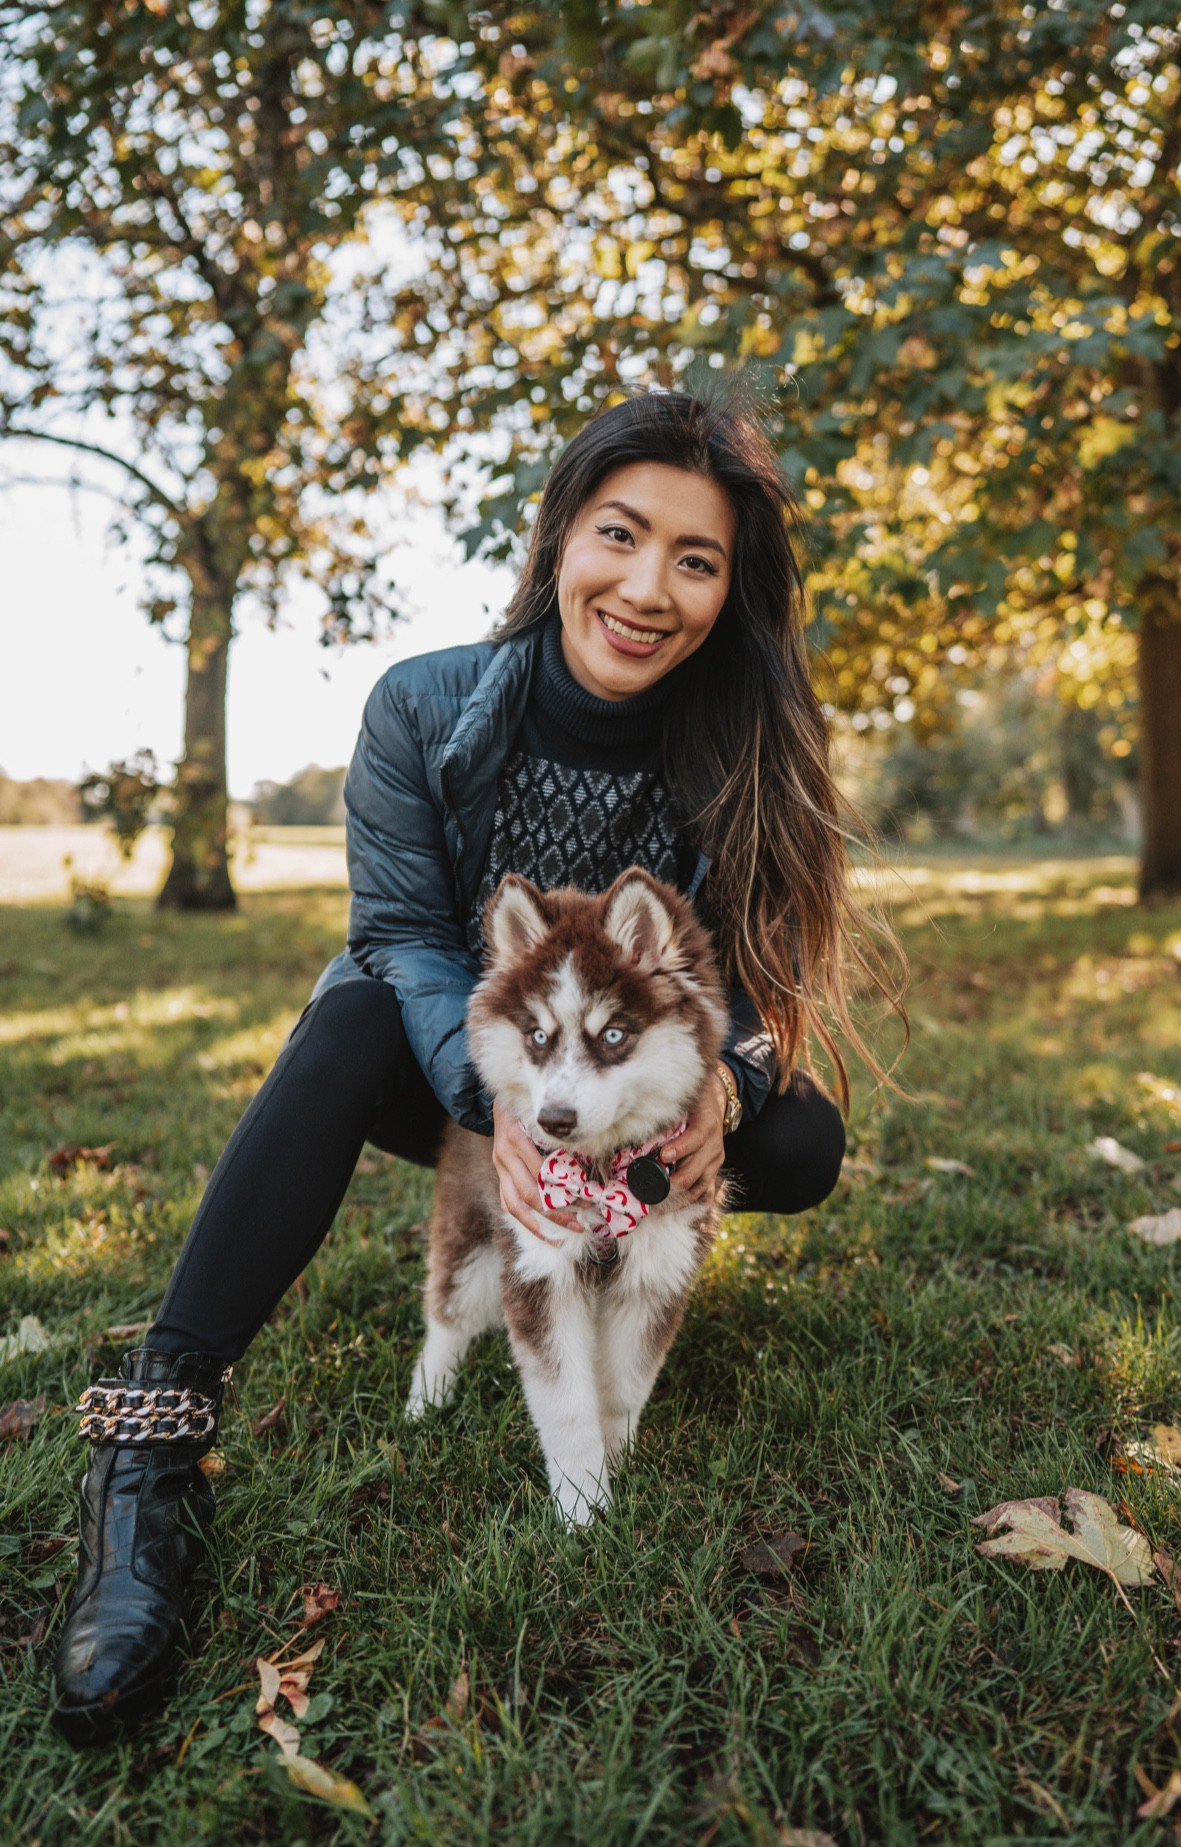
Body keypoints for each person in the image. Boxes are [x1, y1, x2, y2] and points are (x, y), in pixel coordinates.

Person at [50, 388, 904, 1743]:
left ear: (730, 592)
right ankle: (153, 1440)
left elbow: (755, 979)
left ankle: (619, 1242)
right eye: (619, 534)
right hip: (446, 1061)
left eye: (697, 559)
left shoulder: (746, 742)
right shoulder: (420, 704)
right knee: (337, 1022)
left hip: (629, 1076)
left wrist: (724, 1091)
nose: (646, 587)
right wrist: (497, 1102)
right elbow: (393, 934)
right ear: (561, 532)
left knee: (798, 1145)